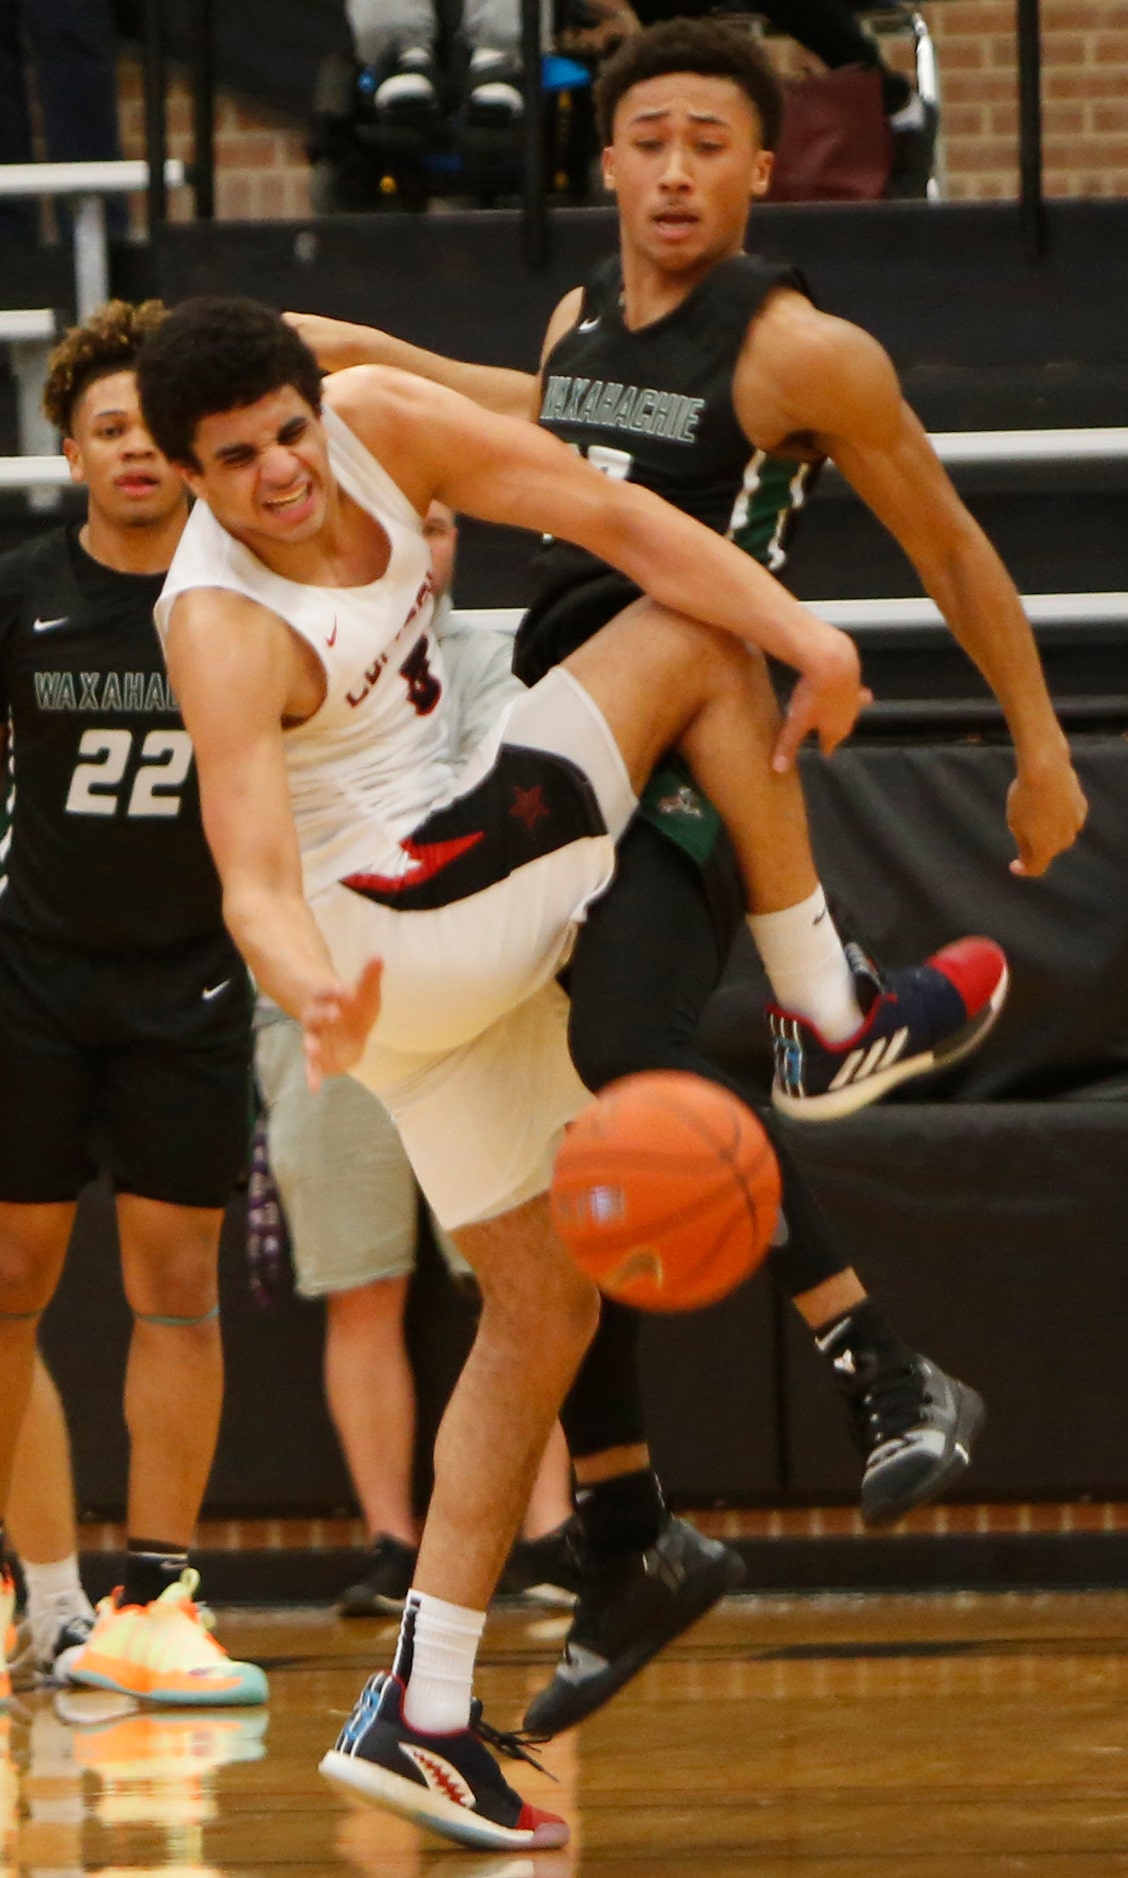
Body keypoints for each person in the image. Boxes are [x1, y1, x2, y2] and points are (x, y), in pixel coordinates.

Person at [285, 15, 1087, 1738]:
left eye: (705, 144)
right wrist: (368, 344)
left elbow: (947, 539)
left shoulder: (803, 350)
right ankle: (635, 1520)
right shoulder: (583, 313)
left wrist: (1035, 742)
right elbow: (540, 416)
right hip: (563, 720)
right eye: (644, 138)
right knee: (580, 1157)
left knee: (632, 1084)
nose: (670, 170)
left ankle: (876, 1354)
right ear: (605, 153)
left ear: (759, 163)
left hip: (690, 756)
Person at [137, 294, 1003, 1851]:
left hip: (434, 930)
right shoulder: (216, 624)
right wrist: (310, 987)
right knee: (679, 633)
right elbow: (253, 876)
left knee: (541, 1303)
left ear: (311, 400)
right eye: (237, 463)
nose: (280, 475)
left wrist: (806, 627)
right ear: (191, 479)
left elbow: (609, 504)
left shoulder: (380, 420)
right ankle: (822, 1004)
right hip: (388, 926)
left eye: (287, 433)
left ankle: (425, 1704)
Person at [0, 299, 265, 1707]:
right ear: (71, 448)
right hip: (32, 970)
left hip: (191, 979)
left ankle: (154, 1596)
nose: (137, 450)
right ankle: (44, 1600)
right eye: (109, 428)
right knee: (6, 1283)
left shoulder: (242, 595)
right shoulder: (21, 590)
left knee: (175, 1286)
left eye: (157, 427)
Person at [253, 502, 580, 1616]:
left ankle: (552, 1537)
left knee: (520, 1281)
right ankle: (394, 1543)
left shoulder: (497, 662)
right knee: (361, 1290)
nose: (425, 547)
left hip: (477, 998)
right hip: (321, 999)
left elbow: (492, 816)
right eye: (409, 527)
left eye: (441, 527)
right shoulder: (277, 658)